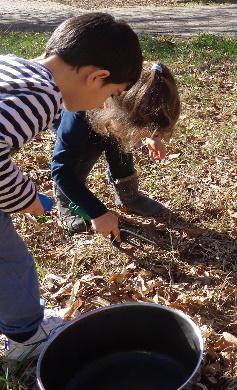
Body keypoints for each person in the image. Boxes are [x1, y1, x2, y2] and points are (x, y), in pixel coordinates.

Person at [0, 12, 142, 362]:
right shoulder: (42, 96)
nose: (104, 105)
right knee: (10, 261)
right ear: (97, 77)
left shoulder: (13, 67)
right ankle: (27, 337)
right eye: (112, 94)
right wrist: (26, 198)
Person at [52, 62, 180, 239]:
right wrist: (97, 212)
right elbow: (61, 169)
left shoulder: (134, 93)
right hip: (80, 127)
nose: (140, 139)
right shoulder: (76, 120)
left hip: (112, 120)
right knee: (81, 160)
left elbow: (142, 122)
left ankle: (129, 197)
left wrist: (153, 137)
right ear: (110, 110)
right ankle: (69, 203)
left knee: (120, 145)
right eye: (142, 132)